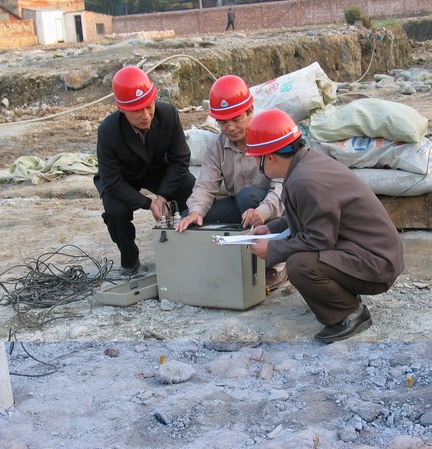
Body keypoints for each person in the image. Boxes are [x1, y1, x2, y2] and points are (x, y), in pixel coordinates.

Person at [245, 109, 405, 342]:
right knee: (303, 258)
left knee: (300, 265)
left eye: (256, 158)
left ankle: (349, 313)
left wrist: (272, 249)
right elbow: (311, 214)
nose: (256, 163)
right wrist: (273, 228)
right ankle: (342, 297)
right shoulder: (307, 164)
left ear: (269, 157)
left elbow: (319, 239)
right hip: (374, 253)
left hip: (377, 265)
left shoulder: (304, 180)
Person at [174, 75, 287, 290]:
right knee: (195, 216)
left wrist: (262, 211)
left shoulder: (268, 138)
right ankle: (222, 256)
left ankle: (278, 261)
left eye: (236, 119)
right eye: (224, 122)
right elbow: (205, 185)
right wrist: (195, 211)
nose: (231, 127)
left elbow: (282, 187)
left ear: (250, 111)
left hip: (275, 209)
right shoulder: (216, 148)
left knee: (247, 197)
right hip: (242, 208)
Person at [94, 66, 196, 275]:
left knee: (189, 187)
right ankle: (129, 259)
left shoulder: (168, 114)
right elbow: (112, 182)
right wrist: (149, 204)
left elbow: (180, 159)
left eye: (149, 107)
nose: (146, 115)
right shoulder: (108, 131)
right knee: (115, 212)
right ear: (122, 109)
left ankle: (189, 245)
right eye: (137, 110)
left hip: (156, 168)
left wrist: (164, 195)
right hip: (122, 178)